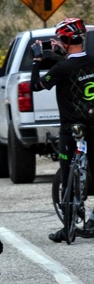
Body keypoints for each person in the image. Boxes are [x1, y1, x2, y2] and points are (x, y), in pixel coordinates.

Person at [31, 16, 94, 240]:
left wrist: (37, 60)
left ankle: (67, 228)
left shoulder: (62, 68)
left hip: (71, 129)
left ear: (66, 41)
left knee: (67, 174)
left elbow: (36, 86)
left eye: (60, 40)